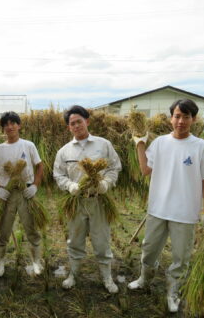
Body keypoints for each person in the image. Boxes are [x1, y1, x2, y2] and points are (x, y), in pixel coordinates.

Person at [127, 99, 204, 313]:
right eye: (177, 116)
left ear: (193, 119)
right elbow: (145, 170)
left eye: (186, 117)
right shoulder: (160, 143)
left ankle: (173, 291)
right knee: (148, 250)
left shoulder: (201, 147)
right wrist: (140, 144)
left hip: (185, 213)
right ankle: (143, 279)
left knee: (181, 257)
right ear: (171, 118)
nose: (181, 121)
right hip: (158, 209)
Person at [53, 105, 121, 293]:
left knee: (102, 240)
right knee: (74, 240)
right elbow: (58, 174)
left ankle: (107, 278)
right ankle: (73, 275)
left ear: (87, 121)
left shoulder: (103, 145)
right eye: (72, 123)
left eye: (79, 122)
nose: (76, 126)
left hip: (99, 200)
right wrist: (70, 186)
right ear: (69, 127)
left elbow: (114, 168)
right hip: (76, 201)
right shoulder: (64, 151)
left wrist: (106, 183)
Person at [0, 111, 44, 277]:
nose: (10, 126)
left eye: (13, 123)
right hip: (6, 194)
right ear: (3, 128)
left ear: (19, 125)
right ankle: (0, 263)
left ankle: (36, 262)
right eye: (6, 124)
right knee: (3, 230)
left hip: (25, 192)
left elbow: (39, 166)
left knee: (31, 229)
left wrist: (34, 185)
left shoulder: (28, 145)